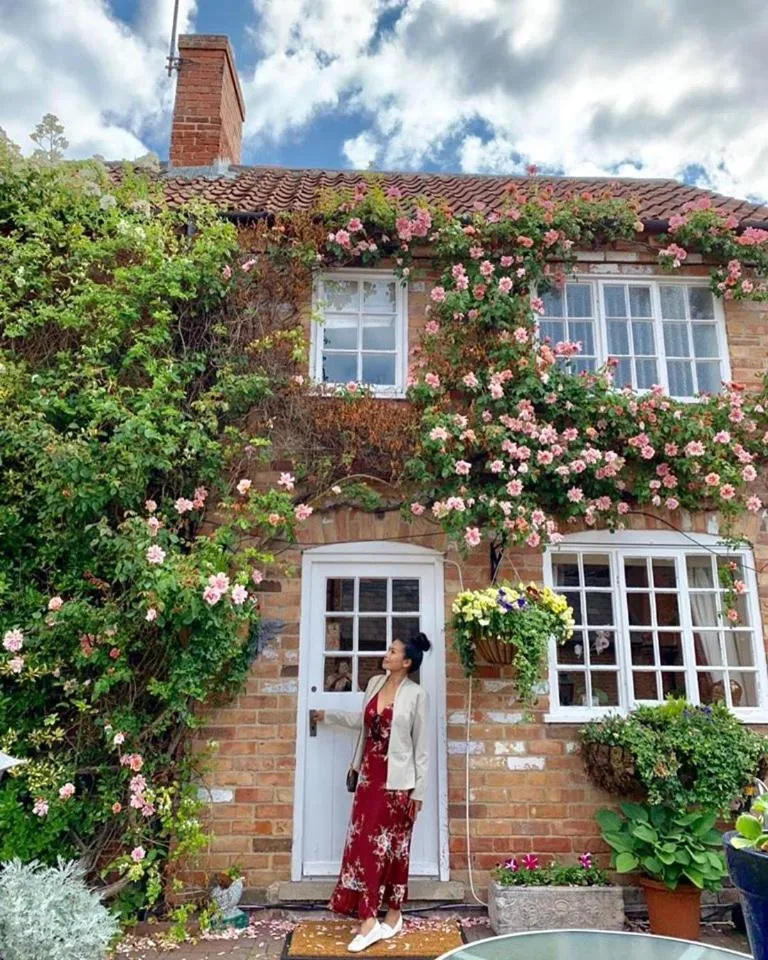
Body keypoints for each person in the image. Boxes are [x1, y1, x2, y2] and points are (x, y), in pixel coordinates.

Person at [313, 633, 431, 954]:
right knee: (364, 845)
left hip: (398, 784)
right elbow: (365, 724)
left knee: (394, 848)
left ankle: (393, 913)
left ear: (406, 662)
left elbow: (421, 748)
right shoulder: (375, 683)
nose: (386, 653)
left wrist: (418, 792)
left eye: (392, 651)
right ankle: (368, 918)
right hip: (369, 778)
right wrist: (328, 715)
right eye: (389, 649)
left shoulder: (417, 695)